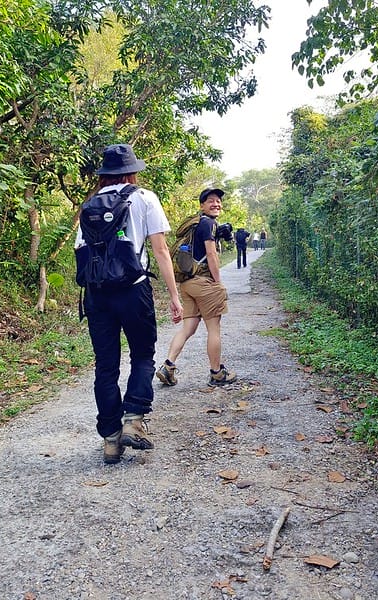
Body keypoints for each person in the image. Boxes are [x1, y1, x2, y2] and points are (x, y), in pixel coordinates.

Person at [75, 144, 183, 464]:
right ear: (132, 171)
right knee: (142, 354)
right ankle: (133, 421)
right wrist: (174, 296)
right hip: (133, 291)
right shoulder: (144, 198)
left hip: (97, 295)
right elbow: (161, 251)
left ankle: (110, 439)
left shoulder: (90, 204)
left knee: (105, 365)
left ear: (105, 174)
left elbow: (81, 252)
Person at [156, 188, 237, 388]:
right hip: (204, 283)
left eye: (218, 201)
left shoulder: (195, 224)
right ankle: (217, 373)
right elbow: (211, 255)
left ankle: (168, 366)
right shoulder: (208, 223)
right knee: (214, 328)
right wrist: (217, 283)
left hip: (187, 284)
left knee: (188, 328)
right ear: (202, 205)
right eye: (210, 201)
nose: (216, 204)